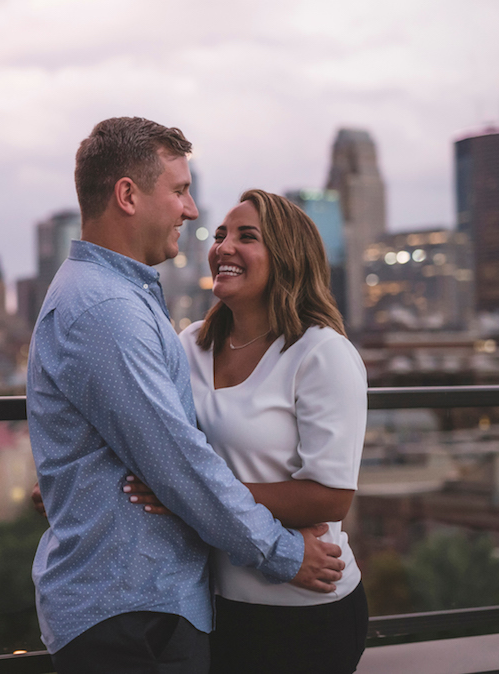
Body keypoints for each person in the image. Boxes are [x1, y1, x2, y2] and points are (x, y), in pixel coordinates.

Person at [28, 117, 345, 674]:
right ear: (128, 195)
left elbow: (159, 456)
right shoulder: (109, 311)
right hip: (129, 608)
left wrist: (71, 482)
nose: (192, 210)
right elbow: (179, 466)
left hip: (144, 602)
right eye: (178, 190)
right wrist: (286, 553)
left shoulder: (122, 299)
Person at [123, 189, 370, 672]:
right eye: (220, 236)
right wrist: (64, 479)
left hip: (306, 609)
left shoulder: (322, 354)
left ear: (287, 257)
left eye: (246, 237)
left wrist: (187, 493)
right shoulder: (189, 344)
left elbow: (330, 498)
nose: (223, 248)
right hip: (212, 606)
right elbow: (141, 426)